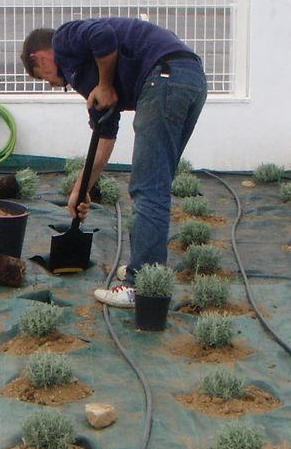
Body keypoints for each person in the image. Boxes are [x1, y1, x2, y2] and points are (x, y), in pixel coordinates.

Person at [21, 18, 206, 307]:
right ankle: (147, 266)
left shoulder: (64, 39)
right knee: (156, 183)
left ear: (38, 57)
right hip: (189, 79)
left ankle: (140, 283)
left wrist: (106, 85)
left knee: (148, 188)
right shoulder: (85, 74)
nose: (55, 84)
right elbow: (104, 136)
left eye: (45, 77)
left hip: (164, 78)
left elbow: (102, 35)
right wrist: (80, 190)